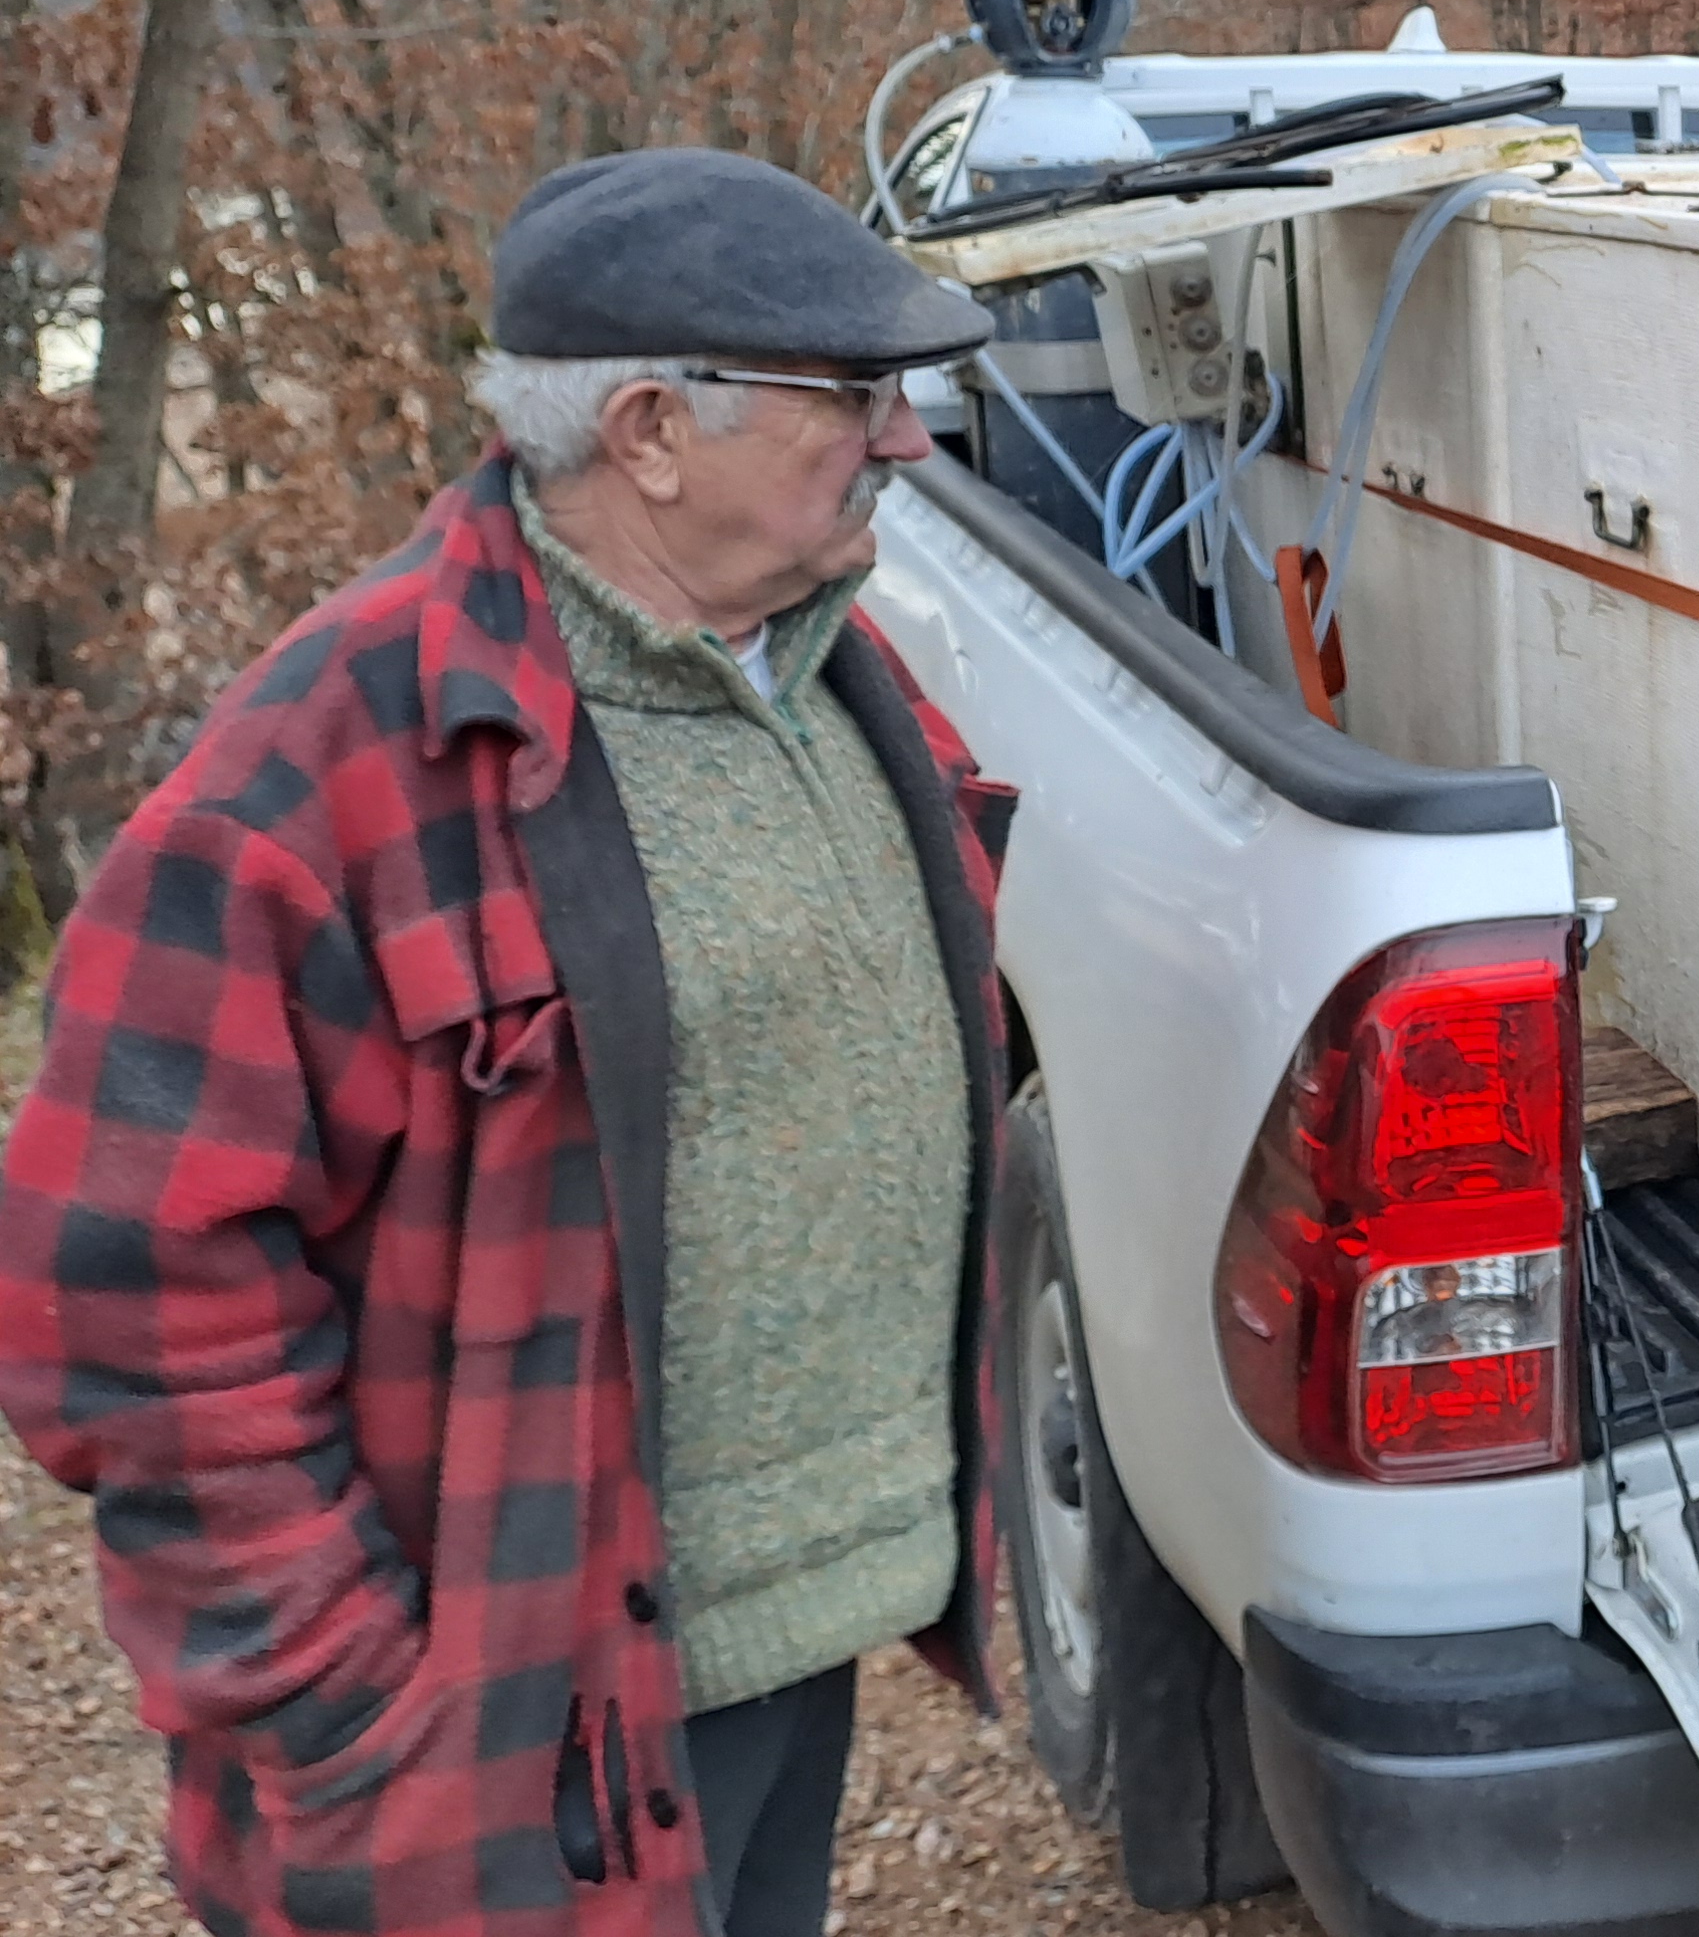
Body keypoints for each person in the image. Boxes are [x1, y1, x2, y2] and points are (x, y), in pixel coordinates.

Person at [0, 149, 1012, 1935]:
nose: (909, 439)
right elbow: (121, 1296)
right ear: (650, 430)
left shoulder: (817, 665)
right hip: (516, 1736)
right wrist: (351, 1713)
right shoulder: (319, 776)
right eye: (856, 395)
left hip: (793, 1641)